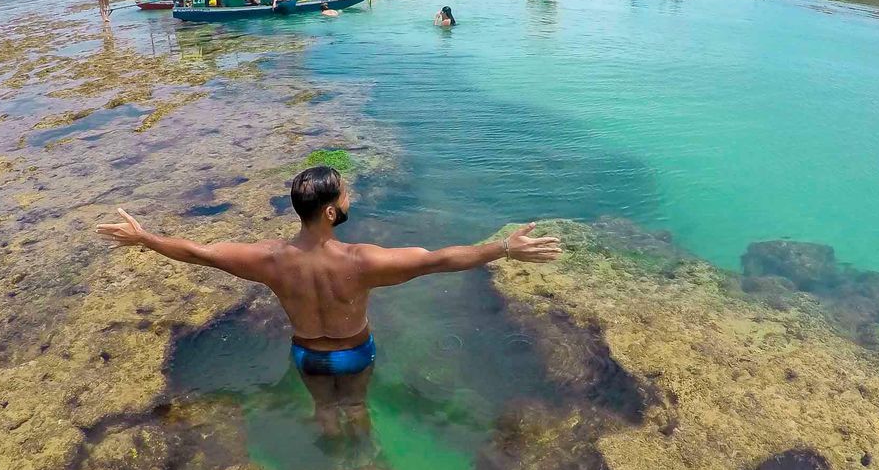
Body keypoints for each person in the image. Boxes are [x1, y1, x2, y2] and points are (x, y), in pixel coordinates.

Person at [96, 167, 561, 441]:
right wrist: (503, 248)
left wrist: (144, 239)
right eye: (345, 193)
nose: (349, 196)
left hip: (308, 356)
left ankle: (333, 454)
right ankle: (363, 458)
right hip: (355, 352)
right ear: (332, 212)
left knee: (323, 410)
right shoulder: (362, 262)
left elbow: (200, 252)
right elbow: (437, 260)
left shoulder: (270, 260)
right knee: (357, 406)